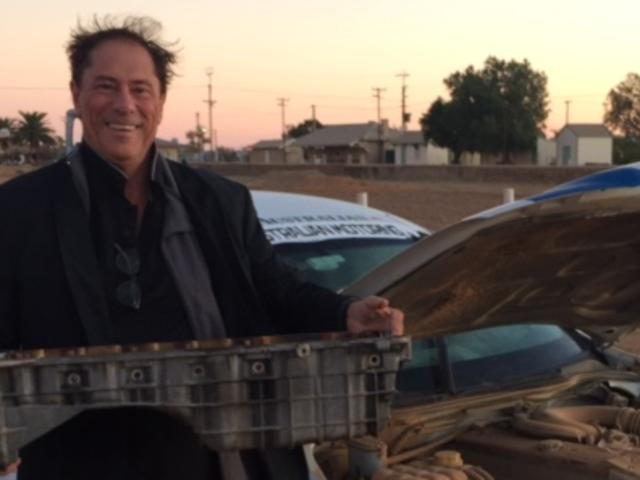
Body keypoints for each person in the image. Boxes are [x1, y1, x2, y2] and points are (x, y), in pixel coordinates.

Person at [0, 15, 403, 480]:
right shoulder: (19, 211)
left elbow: (274, 287)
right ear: (76, 93)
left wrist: (344, 314)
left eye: (140, 89)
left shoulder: (218, 200)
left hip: (222, 458)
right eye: (106, 86)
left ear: (161, 101)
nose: (124, 105)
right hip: (85, 460)